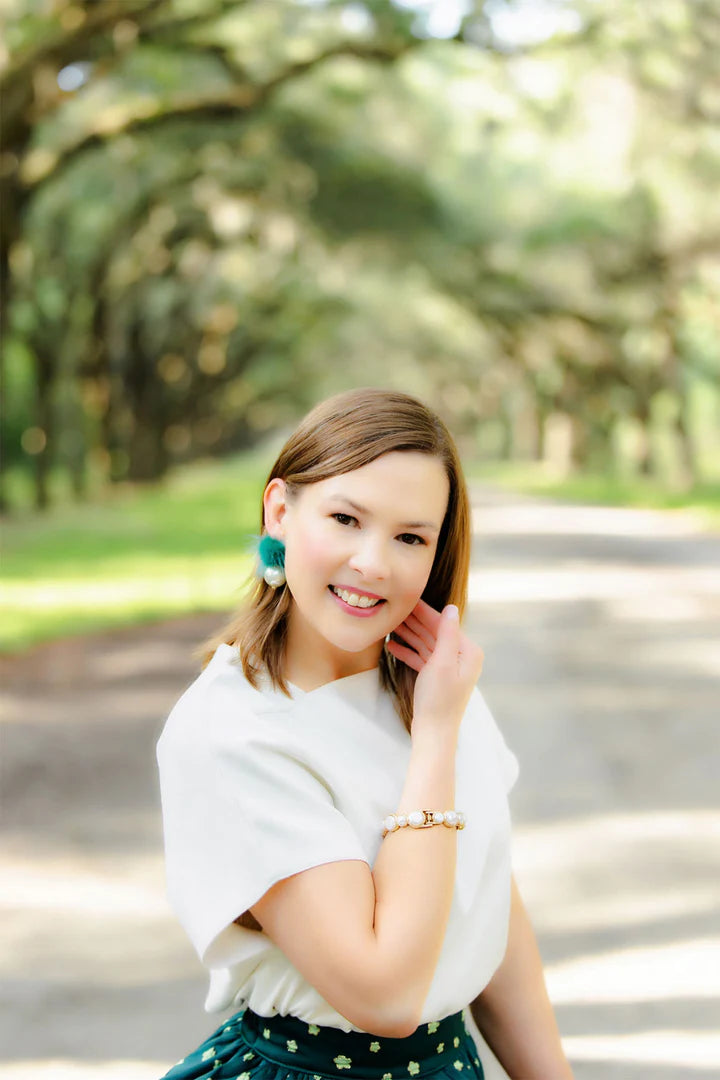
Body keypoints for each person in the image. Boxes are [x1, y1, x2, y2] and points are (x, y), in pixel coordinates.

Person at [156, 387, 573, 1080]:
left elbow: (490, 909)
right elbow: (385, 994)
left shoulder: (435, 685)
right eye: (346, 519)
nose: (374, 563)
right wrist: (435, 737)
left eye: (410, 537)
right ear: (280, 511)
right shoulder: (233, 730)